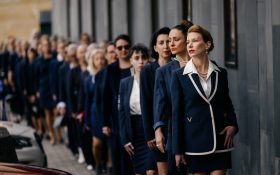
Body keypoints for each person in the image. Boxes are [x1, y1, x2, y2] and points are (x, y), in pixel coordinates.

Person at [171, 24, 239, 175]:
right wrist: (178, 149)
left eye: (194, 41)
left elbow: (226, 103)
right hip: (195, 142)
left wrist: (233, 124)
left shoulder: (221, 73)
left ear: (207, 44)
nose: (190, 45)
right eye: (188, 42)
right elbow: (176, 115)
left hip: (220, 140)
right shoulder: (178, 76)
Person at [153, 20, 193, 174]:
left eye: (176, 40)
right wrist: (158, 130)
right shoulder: (163, 71)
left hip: (200, 130)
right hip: (175, 131)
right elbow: (159, 103)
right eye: (169, 40)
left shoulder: (202, 65)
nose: (171, 44)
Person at [119, 44, 156, 175]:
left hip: (151, 132)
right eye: (136, 57)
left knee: (151, 171)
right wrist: (125, 139)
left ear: (149, 60)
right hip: (134, 133)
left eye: (144, 57)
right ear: (131, 61)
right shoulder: (125, 83)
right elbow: (122, 112)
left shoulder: (155, 80)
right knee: (139, 172)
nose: (141, 61)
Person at [140, 27, 172, 175]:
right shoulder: (147, 70)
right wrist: (150, 134)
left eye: (169, 41)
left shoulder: (178, 67)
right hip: (156, 129)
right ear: (155, 47)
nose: (166, 46)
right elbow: (145, 103)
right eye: (161, 42)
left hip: (174, 126)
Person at [102, 34, 134, 175]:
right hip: (116, 121)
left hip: (134, 119)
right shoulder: (111, 69)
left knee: (133, 161)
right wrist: (105, 123)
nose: (123, 50)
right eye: (119, 47)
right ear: (115, 49)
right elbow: (106, 96)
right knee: (117, 159)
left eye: (126, 47)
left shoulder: (136, 66)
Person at [84, 49, 107, 174]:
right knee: (97, 144)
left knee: (108, 143)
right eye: (97, 59)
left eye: (102, 58)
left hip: (107, 112)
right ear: (92, 61)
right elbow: (87, 101)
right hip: (95, 114)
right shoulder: (89, 79)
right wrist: (86, 120)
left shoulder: (109, 75)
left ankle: (108, 166)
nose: (100, 61)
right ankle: (98, 163)